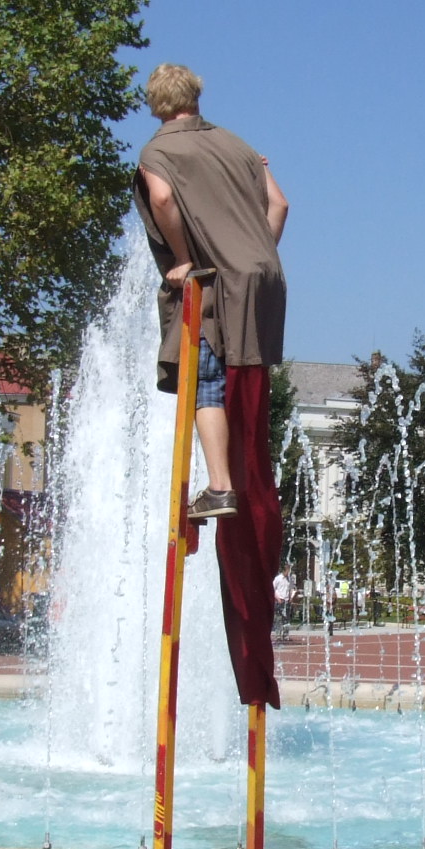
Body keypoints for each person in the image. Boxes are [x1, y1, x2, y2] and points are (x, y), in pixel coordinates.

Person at [132, 64, 289, 519]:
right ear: (196, 95)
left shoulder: (158, 151)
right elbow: (280, 204)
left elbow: (162, 199)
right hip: (265, 278)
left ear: (155, 104)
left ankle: (220, 487)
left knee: (206, 379)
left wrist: (183, 257)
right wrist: (255, 254)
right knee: (247, 385)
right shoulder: (240, 146)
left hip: (217, 282)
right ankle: (245, 485)